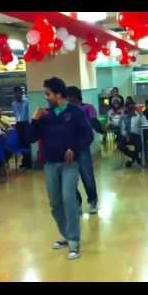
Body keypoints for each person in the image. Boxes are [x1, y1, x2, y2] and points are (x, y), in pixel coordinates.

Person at [28, 77, 93, 260]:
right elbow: (30, 138)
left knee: (68, 198)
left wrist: (75, 148)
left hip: (70, 164)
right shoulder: (45, 115)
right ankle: (65, 235)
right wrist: (34, 120)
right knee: (55, 202)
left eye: (48, 94)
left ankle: (74, 241)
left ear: (58, 94)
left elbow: (87, 135)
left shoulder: (76, 113)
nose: (46, 97)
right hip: (50, 164)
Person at [65, 86, 99, 214]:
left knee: (87, 177)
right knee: (70, 179)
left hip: (83, 148)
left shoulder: (88, 108)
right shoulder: (65, 111)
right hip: (68, 149)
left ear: (76, 97)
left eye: (69, 97)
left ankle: (93, 201)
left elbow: (93, 123)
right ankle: (77, 203)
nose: (68, 100)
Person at [118, 100, 147, 168]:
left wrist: (141, 115)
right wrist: (126, 135)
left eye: (132, 108)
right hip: (127, 135)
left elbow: (145, 124)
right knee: (120, 146)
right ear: (126, 108)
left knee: (139, 147)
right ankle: (135, 157)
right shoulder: (124, 117)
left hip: (137, 135)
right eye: (129, 108)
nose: (131, 110)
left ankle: (133, 159)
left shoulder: (139, 116)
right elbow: (122, 129)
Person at [12, 86, 32, 169]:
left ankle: (29, 162)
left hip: (26, 124)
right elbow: (16, 114)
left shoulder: (27, 102)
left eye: (19, 93)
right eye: (16, 93)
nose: (17, 95)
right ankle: (24, 162)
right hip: (18, 124)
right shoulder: (13, 103)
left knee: (27, 143)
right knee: (21, 143)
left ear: (22, 93)